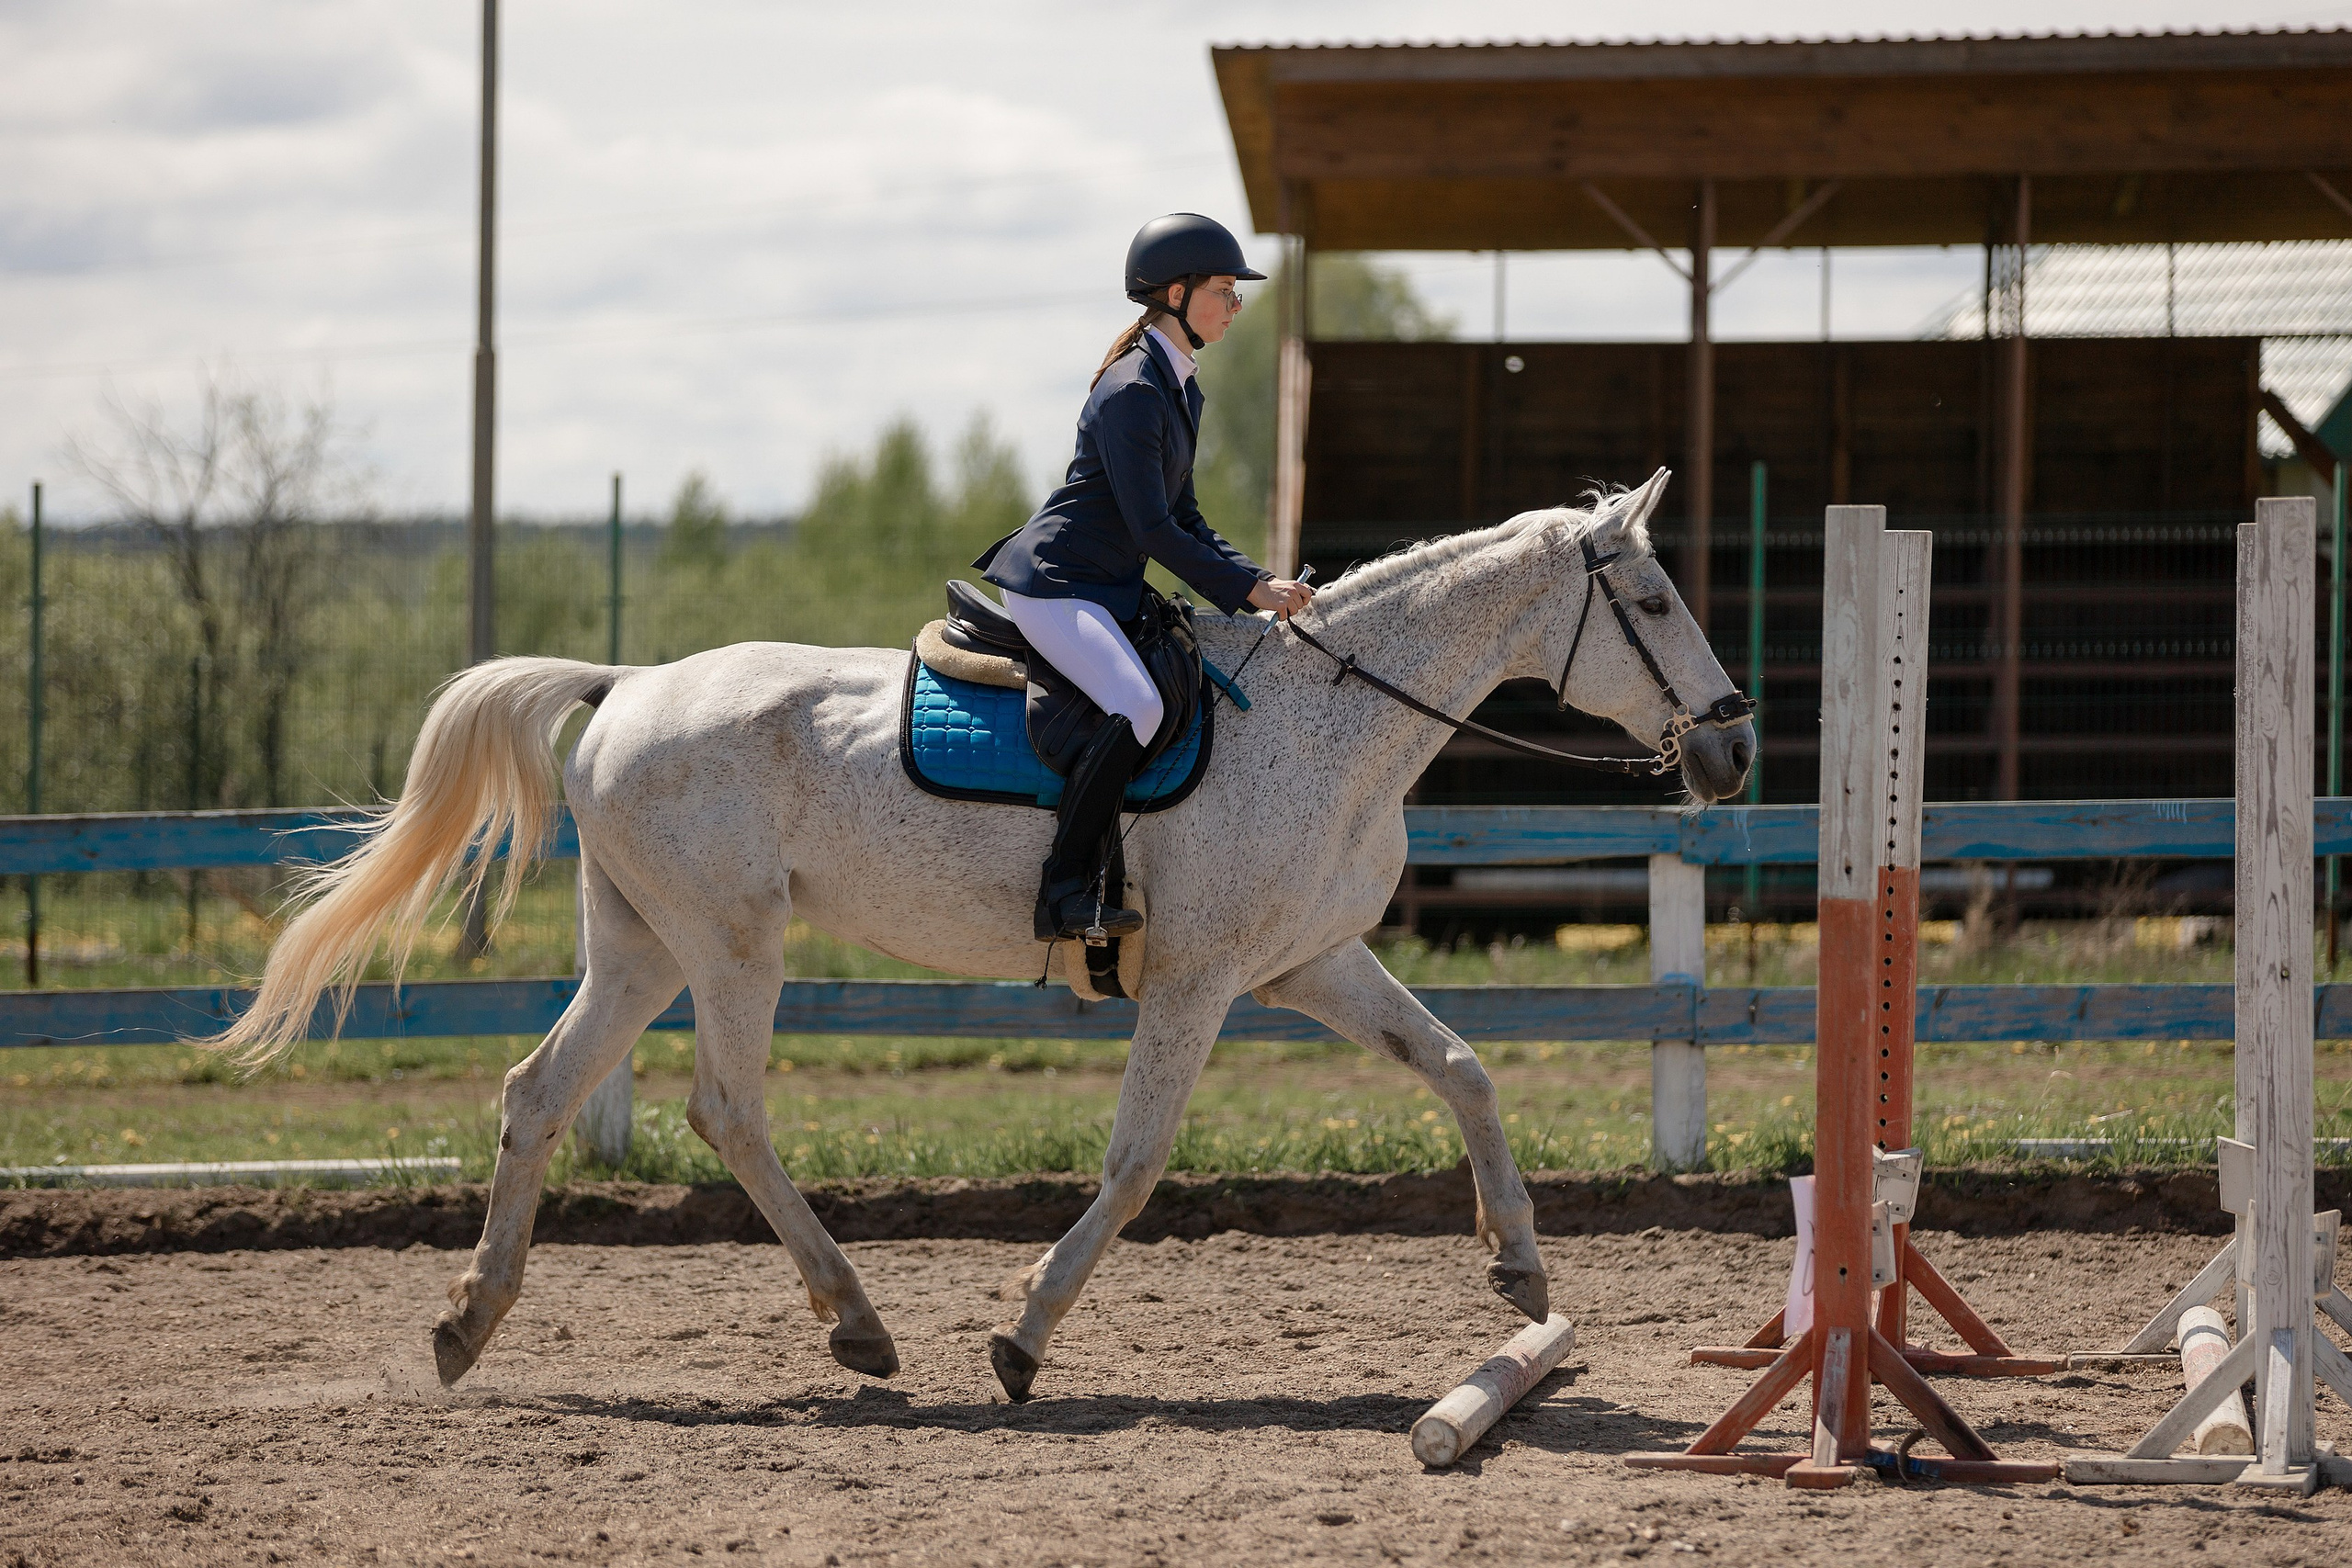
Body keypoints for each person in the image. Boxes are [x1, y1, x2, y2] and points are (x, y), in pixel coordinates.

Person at [974, 212, 1316, 943]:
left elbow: (1185, 516)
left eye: (1235, 292)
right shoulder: (1134, 389)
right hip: (1057, 584)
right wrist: (1250, 593)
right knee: (1139, 704)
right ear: (1175, 292)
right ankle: (1064, 888)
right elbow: (1152, 531)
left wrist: (1259, 579)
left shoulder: (1176, 387)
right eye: (1224, 290)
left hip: (1100, 583)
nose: (1235, 304)